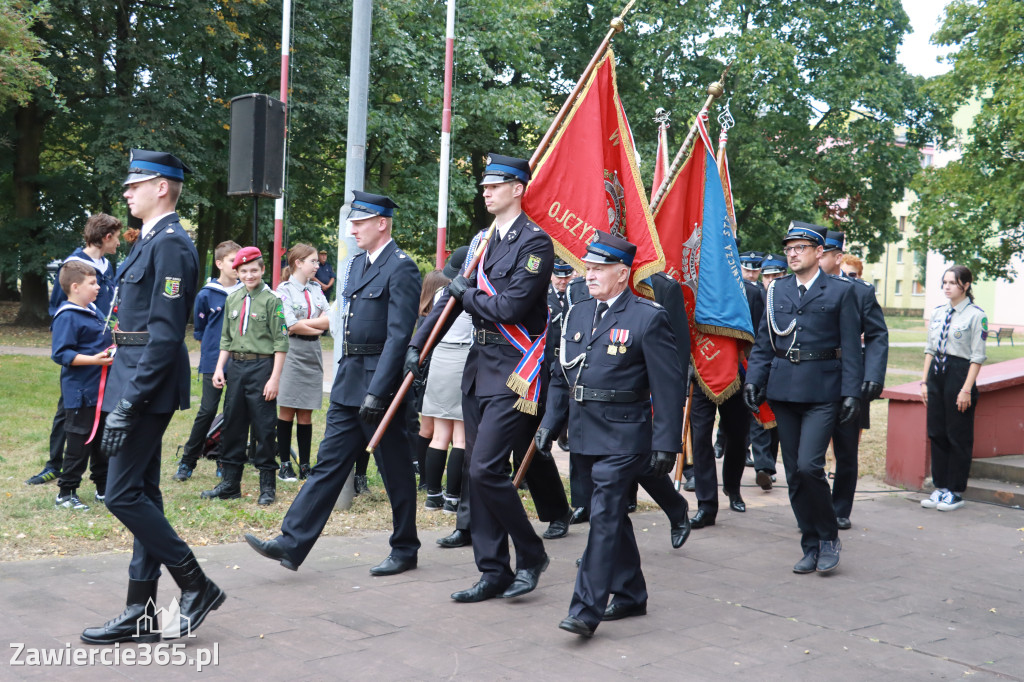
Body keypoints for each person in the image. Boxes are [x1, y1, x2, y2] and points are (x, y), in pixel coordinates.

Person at [407, 153, 569, 602]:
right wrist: (417, 345)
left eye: (494, 185)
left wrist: (465, 290)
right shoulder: (482, 240)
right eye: (483, 186)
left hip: (517, 370)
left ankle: (531, 554)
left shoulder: (535, 244)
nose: (486, 191)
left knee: (483, 468)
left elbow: (509, 308)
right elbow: (447, 304)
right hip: (479, 369)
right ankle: (492, 569)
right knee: (479, 478)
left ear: (518, 188)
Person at [84, 149, 224, 644]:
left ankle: (196, 583)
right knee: (142, 492)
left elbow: (166, 336)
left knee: (121, 494)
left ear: (161, 187)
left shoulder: (172, 245)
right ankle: (139, 611)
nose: (126, 192)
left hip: (146, 383)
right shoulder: (148, 242)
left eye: (134, 184)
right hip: (131, 374)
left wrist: (130, 402)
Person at [245, 190, 421, 577]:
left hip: (380, 383)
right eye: (352, 222)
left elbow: (398, 336)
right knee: (328, 464)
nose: (352, 228)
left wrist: (380, 390)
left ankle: (405, 547)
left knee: (394, 468)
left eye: (359, 222)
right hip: (350, 377)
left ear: (382, 223)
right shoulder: (356, 265)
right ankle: (290, 543)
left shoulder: (402, 267)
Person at [534, 230, 685, 638]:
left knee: (602, 517)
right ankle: (632, 594)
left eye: (599, 268)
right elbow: (563, 374)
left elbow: (668, 386)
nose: (590, 273)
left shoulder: (647, 317)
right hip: (584, 433)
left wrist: (667, 443)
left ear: (623, 273)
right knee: (612, 516)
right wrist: (551, 422)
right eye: (588, 266)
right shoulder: (577, 312)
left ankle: (586, 609)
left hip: (624, 434)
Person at [743, 221, 863, 575]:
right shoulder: (776, 291)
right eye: (788, 249)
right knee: (795, 472)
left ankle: (828, 536)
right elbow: (765, 342)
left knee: (811, 466)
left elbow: (852, 349)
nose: (792, 254)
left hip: (824, 389)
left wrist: (852, 392)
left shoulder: (841, 291)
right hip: (784, 390)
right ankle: (810, 544)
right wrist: (754, 380)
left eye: (800, 248)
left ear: (818, 252)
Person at [28, 214, 122, 487]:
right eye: (116, 237)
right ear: (106, 237)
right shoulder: (75, 266)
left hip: (102, 349)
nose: (118, 242)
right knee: (69, 412)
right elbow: (61, 307)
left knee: (98, 412)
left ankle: (100, 475)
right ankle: (54, 465)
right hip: (81, 351)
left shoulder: (107, 265)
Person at [200, 247, 287, 505]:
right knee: (232, 425)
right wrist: (219, 368)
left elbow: (281, 342)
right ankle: (230, 484)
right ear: (236, 272)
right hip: (236, 368)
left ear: (262, 270)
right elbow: (226, 337)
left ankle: (267, 486)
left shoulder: (272, 300)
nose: (249, 275)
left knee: (264, 426)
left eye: (254, 270)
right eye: (244, 271)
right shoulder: (233, 298)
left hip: (262, 368)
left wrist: (274, 379)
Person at [820, 231, 888, 529]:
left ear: (837, 257)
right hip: (813, 381)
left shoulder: (859, 291)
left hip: (849, 380)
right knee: (808, 457)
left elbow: (877, 335)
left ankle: (839, 509)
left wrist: (873, 375)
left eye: (823, 252)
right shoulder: (794, 288)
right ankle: (815, 508)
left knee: (846, 450)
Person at [688, 269, 764, 528]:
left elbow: (758, 337)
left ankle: (733, 488)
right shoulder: (690, 290)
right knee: (700, 440)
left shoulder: (751, 292)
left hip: (738, 373)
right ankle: (706, 505)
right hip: (700, 374)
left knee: (737, 436)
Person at [920, 265, 986, 512]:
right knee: (936, 432)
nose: (946, 287)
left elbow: (977, 357)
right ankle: (941, 487)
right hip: (937, 374)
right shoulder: (938, 313)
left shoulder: (976, 315)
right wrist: (924, 382)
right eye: (944, 282)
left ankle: (956, 491)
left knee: (957, 435)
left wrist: (966, 389)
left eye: (952, 282)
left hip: (959, 376)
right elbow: (929, 350)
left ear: (966, 285)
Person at [175, 240, 241, 481]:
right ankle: (187, 461)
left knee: (232, 413)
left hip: (241, 360)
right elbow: (201, 331)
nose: (238, 265)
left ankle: (223, 461)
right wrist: (214, 361)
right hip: (214, 361)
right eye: (233, 260)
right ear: (219, 263)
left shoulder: (247, 291)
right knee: (207, 410)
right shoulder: (206, 294)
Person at [50, 261, 114, 510]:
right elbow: (62, 354)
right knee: (80, 442)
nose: (98, 287)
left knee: (102, 441)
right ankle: (66, 493)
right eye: (92, 283)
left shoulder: (94, 311)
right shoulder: (67, 316)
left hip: (102, 389)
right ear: (75, 287)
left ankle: (103, 488)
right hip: (81, 392)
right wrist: (95, 360)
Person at [421, 248, 472, 512]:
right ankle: (453, 497)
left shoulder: (442, 292)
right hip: (463, 356)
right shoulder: (474, 294)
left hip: (440, 357)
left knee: (439, 434)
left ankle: (433, 494)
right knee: (461, 437)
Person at [276, 243, 331, 482]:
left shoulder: (316, 290)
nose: (317, 266)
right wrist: (314, 325)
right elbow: (289, 325)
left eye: (317, 262)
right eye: (313, 262)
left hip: (312, 353)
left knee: (306, 412)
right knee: (287, 409)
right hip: (291, 352)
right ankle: (285, 463)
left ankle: (305, 464)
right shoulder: (283, 290)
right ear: (298, 263)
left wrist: (306, 325)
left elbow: (329, 320)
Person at [750, 253, 786, 489]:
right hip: (758, 363)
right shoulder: (753, 296)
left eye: (777, 275)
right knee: (758, 416)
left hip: (782, 367)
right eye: (768, 275)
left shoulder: (788, 297)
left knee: (776, 422)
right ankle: (762, 466)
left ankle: (769, 464)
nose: (771, 280)